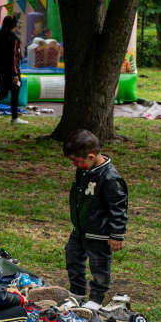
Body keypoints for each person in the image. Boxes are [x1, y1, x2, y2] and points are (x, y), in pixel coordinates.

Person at [63, 129, 128, 311]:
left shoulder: (110, 179)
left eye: (77, 161)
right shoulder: (84, 171)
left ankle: (97, 298)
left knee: (99, 265)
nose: (75, 165)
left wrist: (117, 234)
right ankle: (77, 292)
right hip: (81, 229)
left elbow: (118, 208)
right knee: (73, 257)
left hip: (100, 232)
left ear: (91, 156)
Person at [0, 13, 26, 124]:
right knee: (15, 92)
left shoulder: (0, 37)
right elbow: (14, 58)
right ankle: (15, 118)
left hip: (1, 70)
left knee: (4, 93)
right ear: (13, 25)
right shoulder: (13, 38)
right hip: (11, 71)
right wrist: (15, 73)